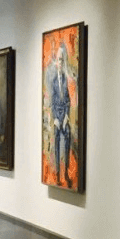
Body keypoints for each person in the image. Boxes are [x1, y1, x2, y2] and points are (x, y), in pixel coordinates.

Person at [49, 45, 73, 186]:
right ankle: (58, 174)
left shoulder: (66, 80)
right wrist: (56, 119)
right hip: (57, 118)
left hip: (64, 116)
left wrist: (66, 117)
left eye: (62, 60)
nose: (60, 63)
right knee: (57, 140)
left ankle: (66, 173)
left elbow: (68, 100)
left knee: (68, 135)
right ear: (55, 62)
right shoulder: (53, 82)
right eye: (58, 60)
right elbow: (52, 102)